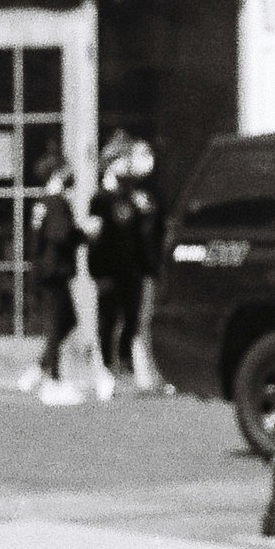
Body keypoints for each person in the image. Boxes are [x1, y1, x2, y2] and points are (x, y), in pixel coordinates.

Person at [86, 136, 155, 402]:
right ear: (110, 165)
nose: (127, 166)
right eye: (121, 160)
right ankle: (104, 371)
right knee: (107, 321)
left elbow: (140, 235)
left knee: (132, 320)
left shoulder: (133, 197)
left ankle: (124, 365)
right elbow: (95, 239)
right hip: (108, 271)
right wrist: (96, 272)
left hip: (131, 270)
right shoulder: (100, 200)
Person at [23, 167, 88, 402]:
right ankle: (52, 379)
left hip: (44, 269)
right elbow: (61, 234)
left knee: (67, 320)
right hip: (55, 271)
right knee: (57, 323)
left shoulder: (42, 203)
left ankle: (42, 369)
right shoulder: (57, 203)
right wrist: (84, 233)